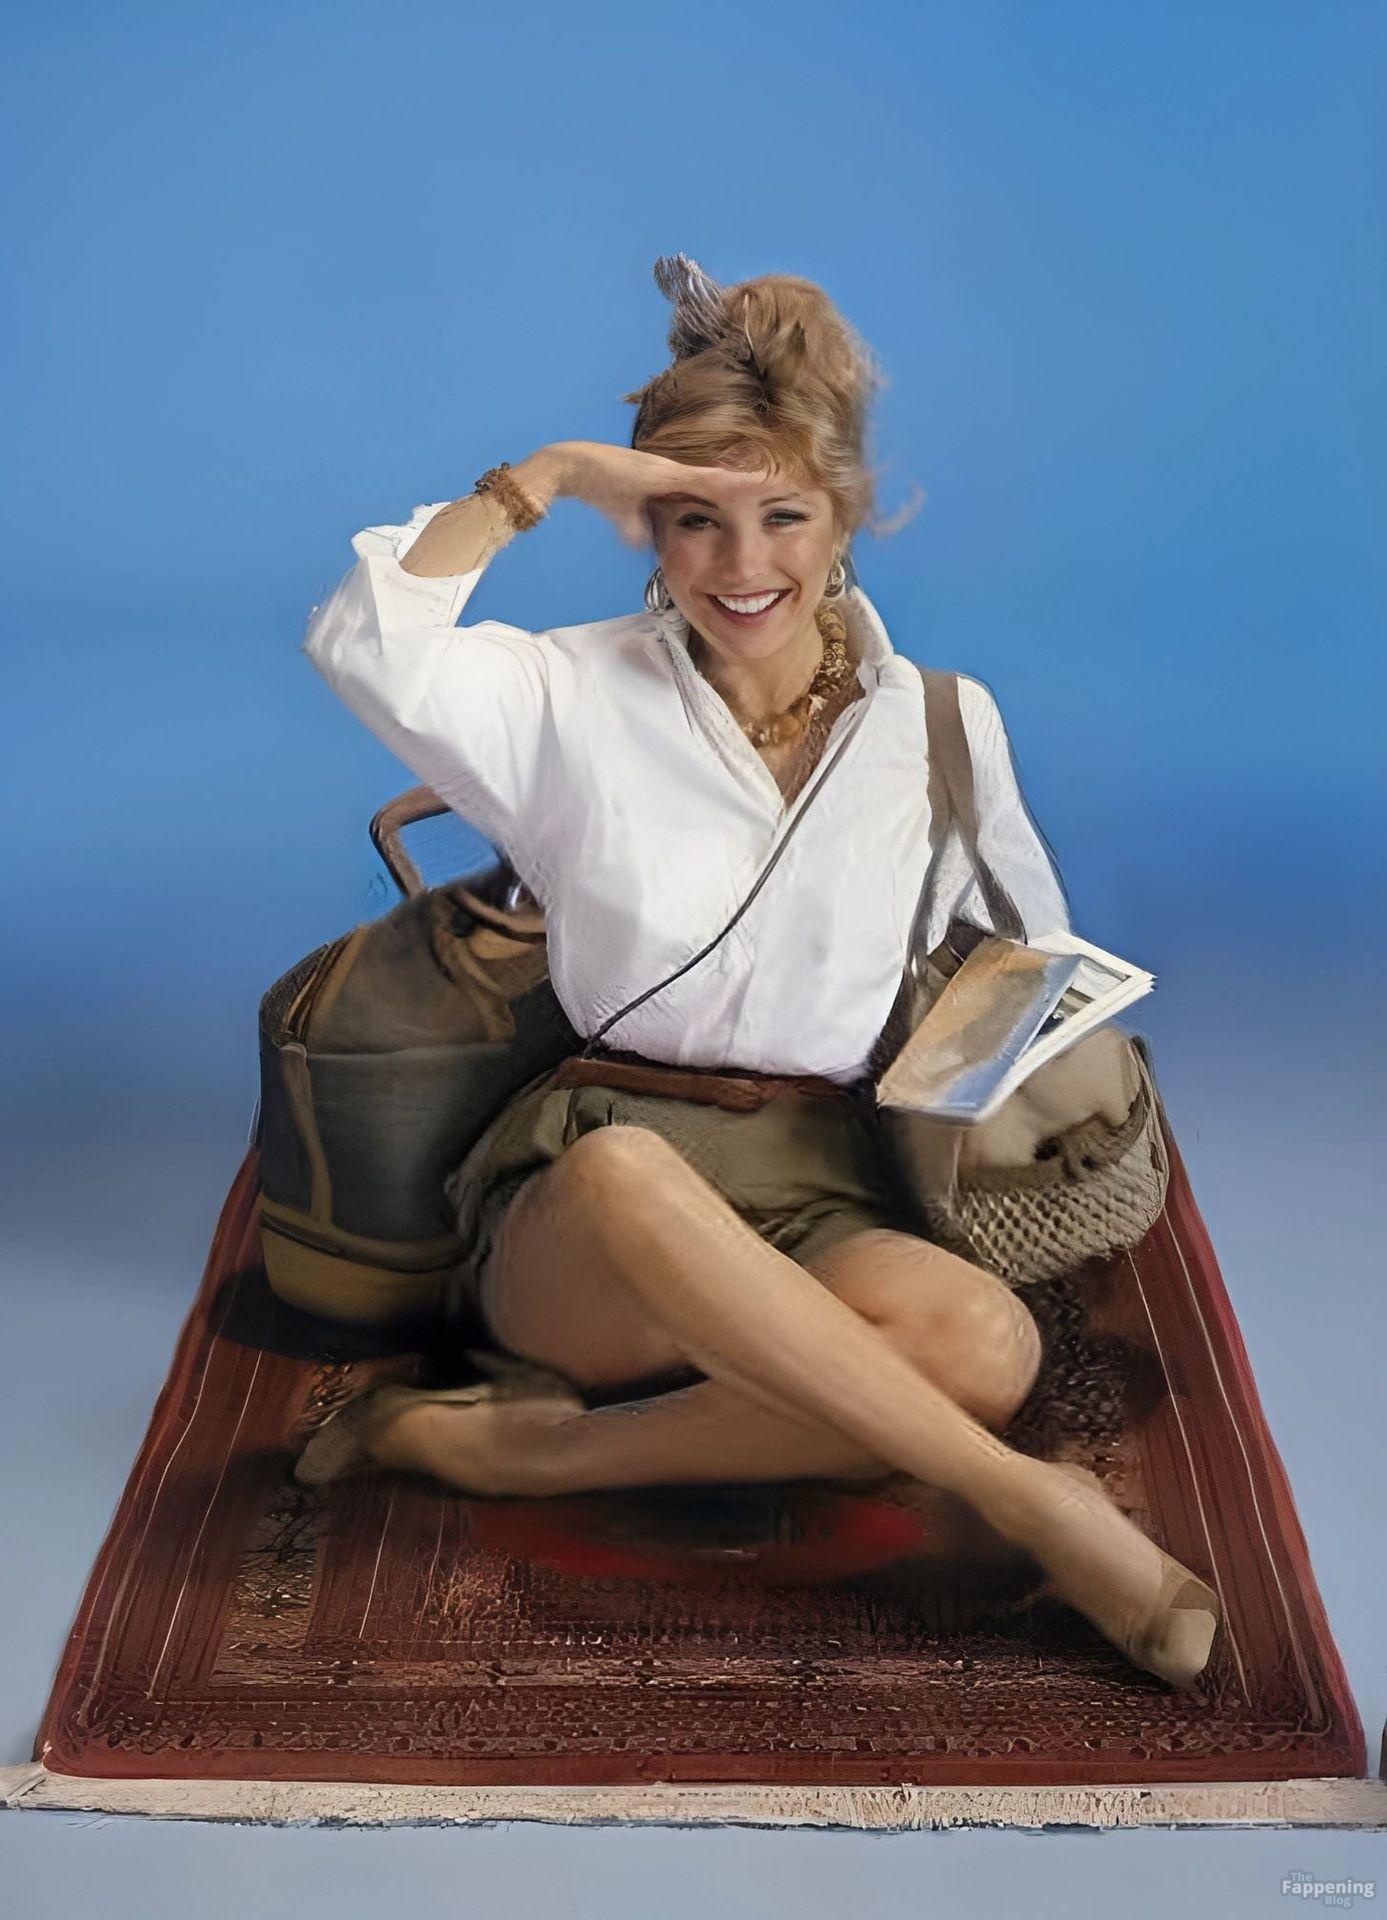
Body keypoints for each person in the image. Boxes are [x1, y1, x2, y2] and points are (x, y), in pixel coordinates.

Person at [293, 254, 1219, 1691]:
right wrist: (547, 474)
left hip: (820, 1177)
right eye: (694, 520)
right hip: (593, 1198)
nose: (742, 567)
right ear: (648, 528)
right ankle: (1036, 1502)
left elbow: (1015, 955)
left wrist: (1000, 1043)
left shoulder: (941, 724)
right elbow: (363, 642)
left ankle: (536, 1456)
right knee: (629, 1177)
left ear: (843, 519)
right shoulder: (566, 692)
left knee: (986, 1346)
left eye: (782, 515)